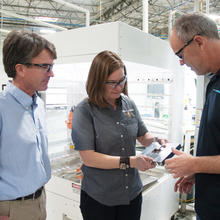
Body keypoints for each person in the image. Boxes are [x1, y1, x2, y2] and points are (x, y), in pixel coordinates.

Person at [71, 50, 166, 220]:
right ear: (98, 81)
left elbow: (143, 135)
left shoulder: (128, 103)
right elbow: (89, 158)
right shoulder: (84, 110)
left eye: (122, 80)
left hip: (132, 194)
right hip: (99, 198)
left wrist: (156, 141)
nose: (119, 87)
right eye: (112, 83)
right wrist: (130, 162)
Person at [165, 13, 220, 220]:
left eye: (180, 55)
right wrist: (200, 171)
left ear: (198, 42)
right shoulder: (213, 81)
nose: (181, 63)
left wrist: (195, 164)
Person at [0, 30, 57, 220]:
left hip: (39, 201)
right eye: (45, 67)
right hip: (11, 209)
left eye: (51, 66)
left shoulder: (38, 104)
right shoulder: (2, 108)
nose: (52, 73)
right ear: (20, 69)